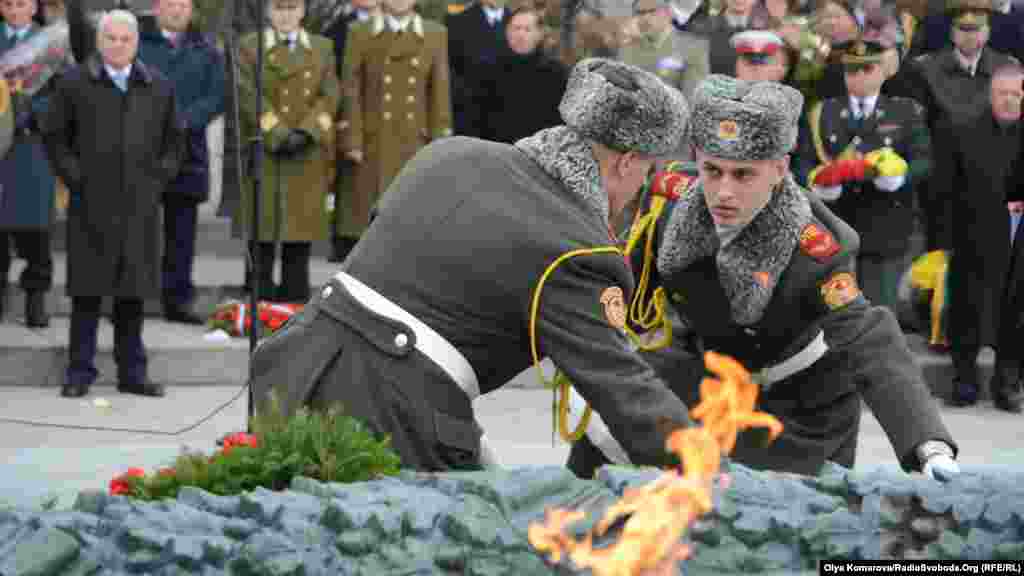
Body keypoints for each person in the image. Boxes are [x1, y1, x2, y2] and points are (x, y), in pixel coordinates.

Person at [250, 58, 695, 472]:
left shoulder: (449, 154)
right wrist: (705, 467)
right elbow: (622, 387)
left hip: (294, 368)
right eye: (646, 173)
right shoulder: (577, 249)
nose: (640, 190)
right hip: (388, 416)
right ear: (627, 162)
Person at [565, 74, 960, 482]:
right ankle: (572, 520)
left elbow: (868, 338)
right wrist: (591, 370)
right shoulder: (671, 202)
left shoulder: (815, 246)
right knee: (605, 417)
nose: (723, 192)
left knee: (775, 523)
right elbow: (622, 285)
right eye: (713, 171)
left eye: (743, 175)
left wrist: (928, 445)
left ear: (779, 169)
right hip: (713, 380)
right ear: (696, 157)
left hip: (799, 408)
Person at [42, 9, 183, 399]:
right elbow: (55, 138)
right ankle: (79, 372)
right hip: (91, 204)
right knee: (87, 294)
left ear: (136, 43)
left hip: (139, 205)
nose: (118, 46)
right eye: (111, 38)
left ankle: (132, 373)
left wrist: (157, 180)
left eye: (125, 39)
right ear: (99, 41)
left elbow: (175, 144)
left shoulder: (159, 86)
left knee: (132, 296)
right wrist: (76, 178)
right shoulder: (74, 83)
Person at [798, 40, 930, 311]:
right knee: (833, 312)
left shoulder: (905, 111)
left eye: (867, 69)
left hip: (885, 222)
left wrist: (900, 178)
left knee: (879, 311)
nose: (858, 77)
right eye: (852, 71)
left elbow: (924, 161)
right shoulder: (823, 113)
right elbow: (803, 161)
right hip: (835, 222)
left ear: (883, 72)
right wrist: (816, 183)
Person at [931, 64, 1024, 410]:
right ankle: (964, 380)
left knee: (1017, 314)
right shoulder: (963, 129)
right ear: (991, 94)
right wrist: (943, 240)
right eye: (1004, 93)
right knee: (966, 310)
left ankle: (1008, 382)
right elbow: (943, 189)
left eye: (1018, 93)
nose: (1011, 100)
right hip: (972, 235)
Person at [237, 0, 340, 303]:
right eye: (279, 8)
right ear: (268, 12)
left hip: (305, 153)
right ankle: (260, 303)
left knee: (299, 236)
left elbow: (331, 94)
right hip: (267, 152)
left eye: (291, 7)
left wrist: (309, 131)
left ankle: (294, 305)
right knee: (262, 234)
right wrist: (277, 133)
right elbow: (247, 94)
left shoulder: (321, 48)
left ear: (302, 11)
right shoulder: (251, 46)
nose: (285, 14)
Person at [339, 0, 451, 262]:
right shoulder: (360, 31)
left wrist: (441, 144)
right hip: (372, 141)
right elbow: (351, 88)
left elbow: (439, 92)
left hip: (415, 140)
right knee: (368, 226)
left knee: (410, 221)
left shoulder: (435, 32)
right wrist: (353, 139)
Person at [139, 0, 225, 324]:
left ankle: (177, 298)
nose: (177, 11)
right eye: (170, 3)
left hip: (189, 150)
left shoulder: (206, 49)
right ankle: (135, 296)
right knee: (138, 227)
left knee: (182, 232)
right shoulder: (139, 44)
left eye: (184, 5)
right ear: (156, 7)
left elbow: (216, 95)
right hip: (144, 148)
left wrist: (185, 121)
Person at [0, 0, 55, 328]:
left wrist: (31, 112)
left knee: (35, 227)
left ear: (34, 7)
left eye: (21, 3)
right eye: (8, 3)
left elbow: (64, 89)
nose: (15, 9)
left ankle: (36, 296)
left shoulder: (50, 43)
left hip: (32, 145)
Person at [324, 0, 380, 263]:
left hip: (383, 119)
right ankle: (343, 241)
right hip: (347, 115)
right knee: (348, 185)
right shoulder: (338, 27)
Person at [475, 0, 568, 144]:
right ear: (507, 32)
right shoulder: (490, 71)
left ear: (539, 34)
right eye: (516, 28)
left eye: (527, 29)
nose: (521, 34)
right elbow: (479, 119)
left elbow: (562, 121)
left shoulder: (556, 73)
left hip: (541, 152)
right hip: (498, 153)